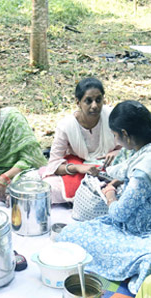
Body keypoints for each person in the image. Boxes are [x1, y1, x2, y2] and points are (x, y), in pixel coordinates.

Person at [55, 101, 151, 292]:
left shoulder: (144, 171)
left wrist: (110, 195)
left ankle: (138, 271)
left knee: (70, 236)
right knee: (70, 234)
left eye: (115, 135)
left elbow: (119, 215)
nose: (116, 139)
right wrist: (118, 182)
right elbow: (128, 172)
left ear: (126, 134)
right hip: (143, 230)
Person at [40, 76, 121, 205]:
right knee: (49, 189)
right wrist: (79, 168)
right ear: (78, 102)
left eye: (98, 100)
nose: (94, 106)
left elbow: (132, 146)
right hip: (80, 167)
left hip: (111, 166)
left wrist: (118, 153)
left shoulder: (112, 116)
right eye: (88, 101)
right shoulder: (66, 126)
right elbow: (54, 165)